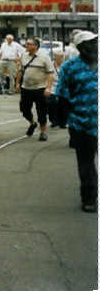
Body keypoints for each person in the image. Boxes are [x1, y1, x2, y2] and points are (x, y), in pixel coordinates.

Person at [55, 30, 98, 213]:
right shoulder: (70, 67)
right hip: (82, 123)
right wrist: (65, 119)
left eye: (96, 42)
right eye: (90, 43)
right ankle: (89, 197)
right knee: (86, 163)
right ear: (81, 48)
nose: (94, 46)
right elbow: (62, 95)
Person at [14, 37, 54, 141]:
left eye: (29, 44)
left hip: (40, 88)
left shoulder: (44, 57)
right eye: (26, 44)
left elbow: (50, 73)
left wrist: (48, 88)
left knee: (42, 111)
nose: (26, 46)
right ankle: (32, 123)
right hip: (26, 88)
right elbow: (20, 71)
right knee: (24, 109)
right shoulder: (24, 56)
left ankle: (43, 132)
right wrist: (17, 83)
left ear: (35, 46)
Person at [47, 49, 67, 128]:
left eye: (62, 57)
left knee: (63, 105)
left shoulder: (66, 66)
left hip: (63, 87)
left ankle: (63, 122)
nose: (61, 58)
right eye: (59, 57)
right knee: (51, 104)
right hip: (52, 86)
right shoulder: (50, 65)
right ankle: (53, 120)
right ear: (55, 57)